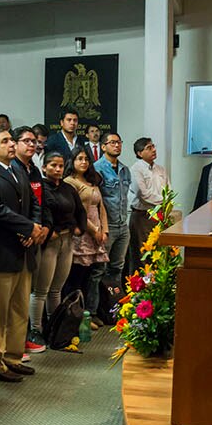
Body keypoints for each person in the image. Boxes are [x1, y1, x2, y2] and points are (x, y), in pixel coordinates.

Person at [0, 128, 46, 381]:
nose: (11, 144)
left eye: (11, 140)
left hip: (24, 249)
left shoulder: (17, 169)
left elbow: (34, 203)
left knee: (19, 307)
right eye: (5, 141)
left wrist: (33, 229)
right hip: (1, 249)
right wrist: (26, 227)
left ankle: (13, 357)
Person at [31, 152, 78, 346]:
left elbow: (78, 211)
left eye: (60, 166)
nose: (57, 169)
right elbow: (43, 212)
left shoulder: (67, 187)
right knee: (41, 289)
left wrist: (77, 228)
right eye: (53, 165)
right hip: (49, 241)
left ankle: (54, 327)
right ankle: (36, 330)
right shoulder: (40, 187)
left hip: (67, 240)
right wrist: (52, 232)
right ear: (44, 168)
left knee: (56, 288)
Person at [12, 126, 50, 355]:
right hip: (18, 237)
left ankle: (25, 337)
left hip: (35, 234)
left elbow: (39, 202)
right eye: (26, 140)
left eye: (34, 141)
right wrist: (27, 230)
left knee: (29, 289)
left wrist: (41, 227)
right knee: (15, 296)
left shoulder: (33, 170)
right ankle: (17, 342)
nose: (31, 145)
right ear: (15, 144)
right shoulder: (14, 169)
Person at [64, 147, 109, 315]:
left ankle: (90, 314)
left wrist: (104, 230)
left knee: (93, 275)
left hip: (97, 233)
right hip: (82, 232)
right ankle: (74, 316)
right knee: (77, 278)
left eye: (86, 159)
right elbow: (77, 211)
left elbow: (101, 208)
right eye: (79, 158)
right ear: (72, 161)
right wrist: (95, 230)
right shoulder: (70, 182)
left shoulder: (92, 180)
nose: (83, 162)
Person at [92, 132, 131, 322]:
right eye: (112, 142)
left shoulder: (124, 169)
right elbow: (96, 203)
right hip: (106, 227)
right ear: (103, 146)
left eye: (119, 142)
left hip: (123, 225)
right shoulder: (97, 169)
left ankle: (114, 309)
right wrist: (101, 228)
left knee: (117, 268)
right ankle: (94, 311)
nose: (117, 145)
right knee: (99, 269)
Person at [128, 137, 170, 268]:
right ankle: (142, 286)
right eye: (149, 148)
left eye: (153, 146)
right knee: (142, 254)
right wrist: (164, 200)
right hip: (142, 216)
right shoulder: (136, 169)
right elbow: (143, 194)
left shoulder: (161, 169)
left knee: (159, 252)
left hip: (159, 216)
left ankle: (157, 285)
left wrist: (166, 201)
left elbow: (169, 190)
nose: (154, 150)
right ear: (139, 153)